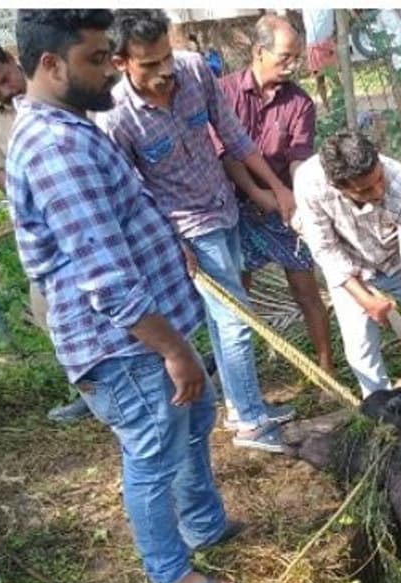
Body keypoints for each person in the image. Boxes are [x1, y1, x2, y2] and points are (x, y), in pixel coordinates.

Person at [8, 9, 239, 583]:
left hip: (147, 336)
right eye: (94, 58)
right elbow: (106, 279)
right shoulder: (58, 148)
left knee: (192, 426)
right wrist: (174, 350)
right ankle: (170, 573)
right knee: (154, 452)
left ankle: (205, 528)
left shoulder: (76, 127)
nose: (111, 67)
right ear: (50, 65)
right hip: (123, 346)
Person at [97, 10, 298, 453]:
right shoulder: (115, 119)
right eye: (149, 64)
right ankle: (249, 421)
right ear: (120, 64)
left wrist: (277, 187)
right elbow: (132, 192)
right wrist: (175, 242)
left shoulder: (192, 70)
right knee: (237, 320)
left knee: (224, 318)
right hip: (188, 227)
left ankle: (243, 407)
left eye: (166, 56)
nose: (164, 71)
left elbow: (234, 134)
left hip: (224, 207)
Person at [0, 33, 93, 425]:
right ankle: (92, 393)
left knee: (119, 296)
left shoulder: (57, 84)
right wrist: (28, 190)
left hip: (92, 216)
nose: (3, 90)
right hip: (43, 228)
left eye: (4, 78)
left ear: (11, 58)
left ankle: (177, 364)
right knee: (49, 311)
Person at [217, 13, 334, 375]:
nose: (293, 66)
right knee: (237, 297)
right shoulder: (224, 92)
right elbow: (224, 151)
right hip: (232, 206)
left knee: (305, 288)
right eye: (285, 57)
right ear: (258, 51)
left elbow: (299, 159)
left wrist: (293, 201)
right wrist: (257, 191)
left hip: (279, 207)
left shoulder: (300, 104)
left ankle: (326, 367)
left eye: (297, 57)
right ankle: (241, 376)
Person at [294, 130, 401, 397]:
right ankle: (384, 416)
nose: (378, 191)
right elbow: (325, 249)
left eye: (379, 179)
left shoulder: (400, 182)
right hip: (350, 265)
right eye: (365, 190)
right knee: (360, 347)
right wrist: (365, 300)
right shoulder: (311, 183)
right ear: (338, 187)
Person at [302, 9, 336, 111]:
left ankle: (340, 102)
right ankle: (327, 107)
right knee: (320, 79)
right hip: (313, 44)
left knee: (334, 76)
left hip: (327, 41)